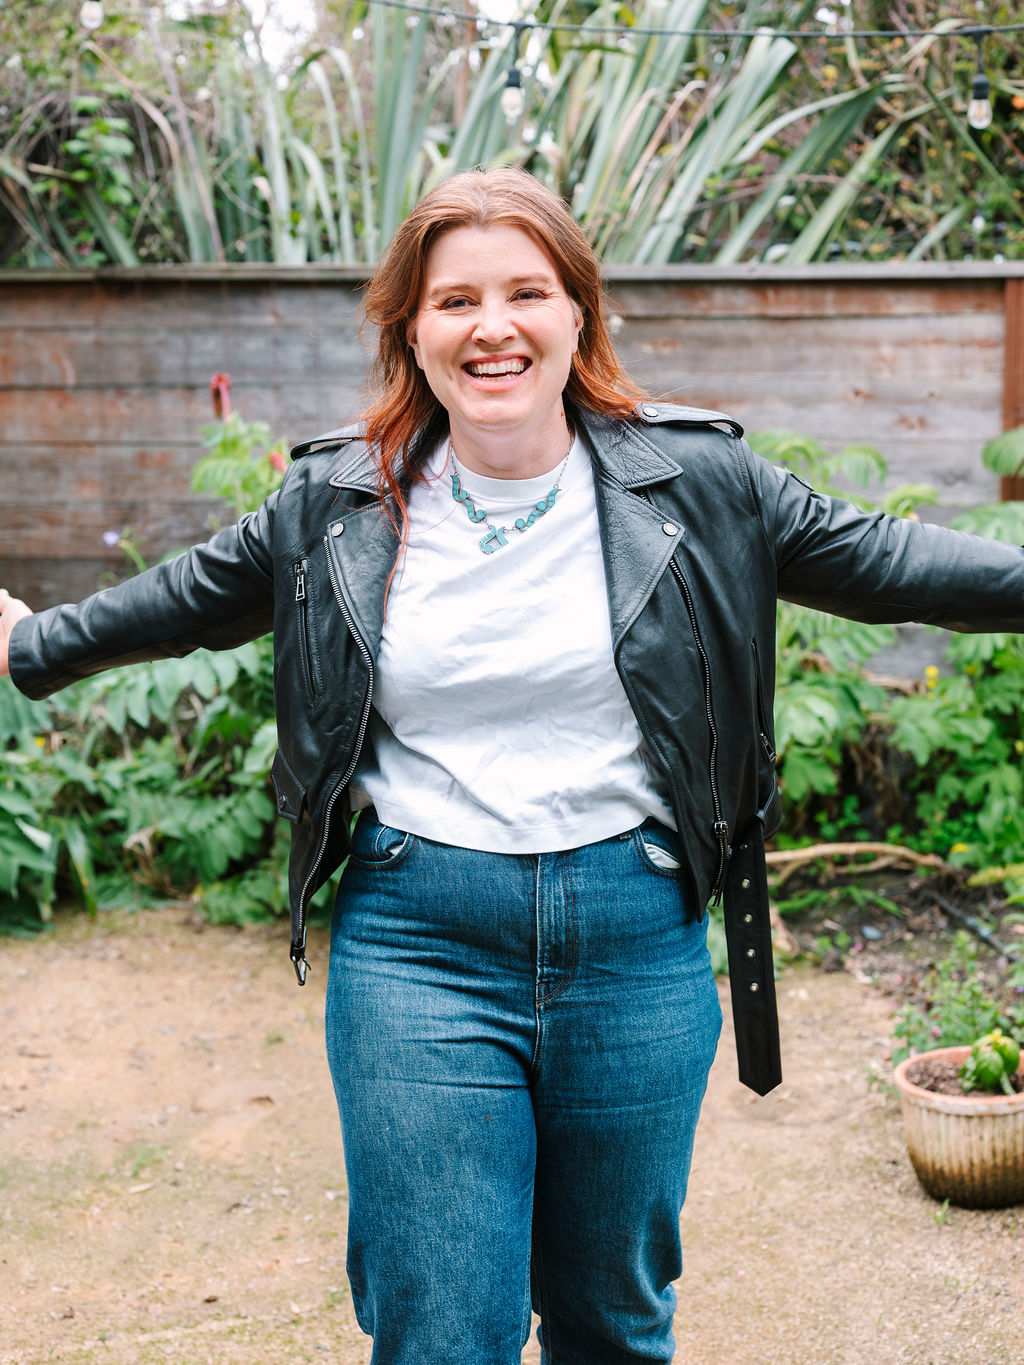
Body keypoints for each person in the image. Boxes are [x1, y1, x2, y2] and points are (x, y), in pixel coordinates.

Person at [2, 167, 1024, 1364]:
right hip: (417, 942)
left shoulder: (701, 487)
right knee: (442, 1327)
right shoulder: (334, 502)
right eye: (455, 301)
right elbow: (186, 598)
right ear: (411, 331)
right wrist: (28, 645)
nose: (493, 326)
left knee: (610, 1320)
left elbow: (893, 562)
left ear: (578, 313)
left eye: (527, 292)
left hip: (635, 937)